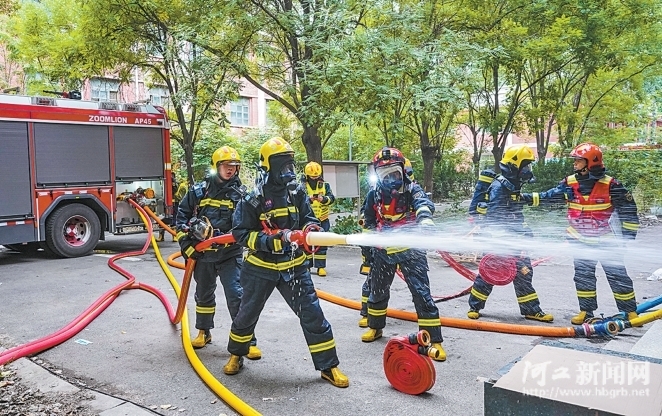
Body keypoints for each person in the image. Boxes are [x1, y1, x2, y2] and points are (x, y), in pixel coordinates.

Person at [224, 137, 349, 388]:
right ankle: (237, 354)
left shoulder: (297, 193)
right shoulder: (253, 198)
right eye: (282, 165)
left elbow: (309, 218)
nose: (288, 170)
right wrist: (272, 241)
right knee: (246, 314)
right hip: (260, 268)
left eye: (290, 164)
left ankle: (328, 366)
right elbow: (241, 234)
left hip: (294, 267)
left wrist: (311, 229)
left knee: (313, 315)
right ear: (268, 166)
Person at [522, 143, 640, 324]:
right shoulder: (570, 183)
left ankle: (630, 312)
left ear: (590, 162)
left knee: (618, 277)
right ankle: (586, 312)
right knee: (583, 278)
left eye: (578, 160)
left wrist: (627, 237)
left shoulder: (611, 185)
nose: (574, 164)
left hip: (607, 243)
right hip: (580, 241)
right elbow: (549, 196)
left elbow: (629, 211)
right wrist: (525, 198)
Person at [360, 147, 446, 361]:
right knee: (377, 291)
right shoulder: (374, 195)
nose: (390, 179)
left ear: (404, 171)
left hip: (411, 251)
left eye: (394, 173)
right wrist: (368, 246)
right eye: (384, 174)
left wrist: (425, 221)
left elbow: (424, 204)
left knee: (422, 295)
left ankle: (434, 339)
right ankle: (375, 327)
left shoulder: (412, 190)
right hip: (383, 252)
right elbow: (368, 220)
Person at [175, 146, 261, 359]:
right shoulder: (199, 191)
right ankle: (204, 332)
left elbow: (254, 222)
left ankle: (247, 341)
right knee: (203, 293)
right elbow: (181, 219)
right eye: (226, 165)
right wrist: (187, 246)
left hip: (230, 253)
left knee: (237, 295)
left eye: (234, 166)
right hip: (203, 255)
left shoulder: (243, 195)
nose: (231, 169)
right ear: (216, 166)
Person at [466, 144, 553, 322]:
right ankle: (474, 306)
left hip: (513, 240)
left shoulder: (512, 186)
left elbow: (514, 214)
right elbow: (497, 218)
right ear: (515, 166)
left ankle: (531, 310)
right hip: (499, 241)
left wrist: (524, 232)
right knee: (489, 274)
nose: (528, 170)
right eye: (526, 166)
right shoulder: (500, 187)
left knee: (524, 273)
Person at [303, 161, 335, 276]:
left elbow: (332, 198)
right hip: (307, 219)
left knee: (321, 243)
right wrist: (309, 199)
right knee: (306, 243)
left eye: (316, 176)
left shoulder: (325, 185)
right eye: (312, 177)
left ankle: (320, 267)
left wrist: (324, 199)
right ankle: (306, 267)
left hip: (322, 219)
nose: (315, 178)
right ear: (307, 175)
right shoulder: (302, 186)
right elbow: (298, 200)